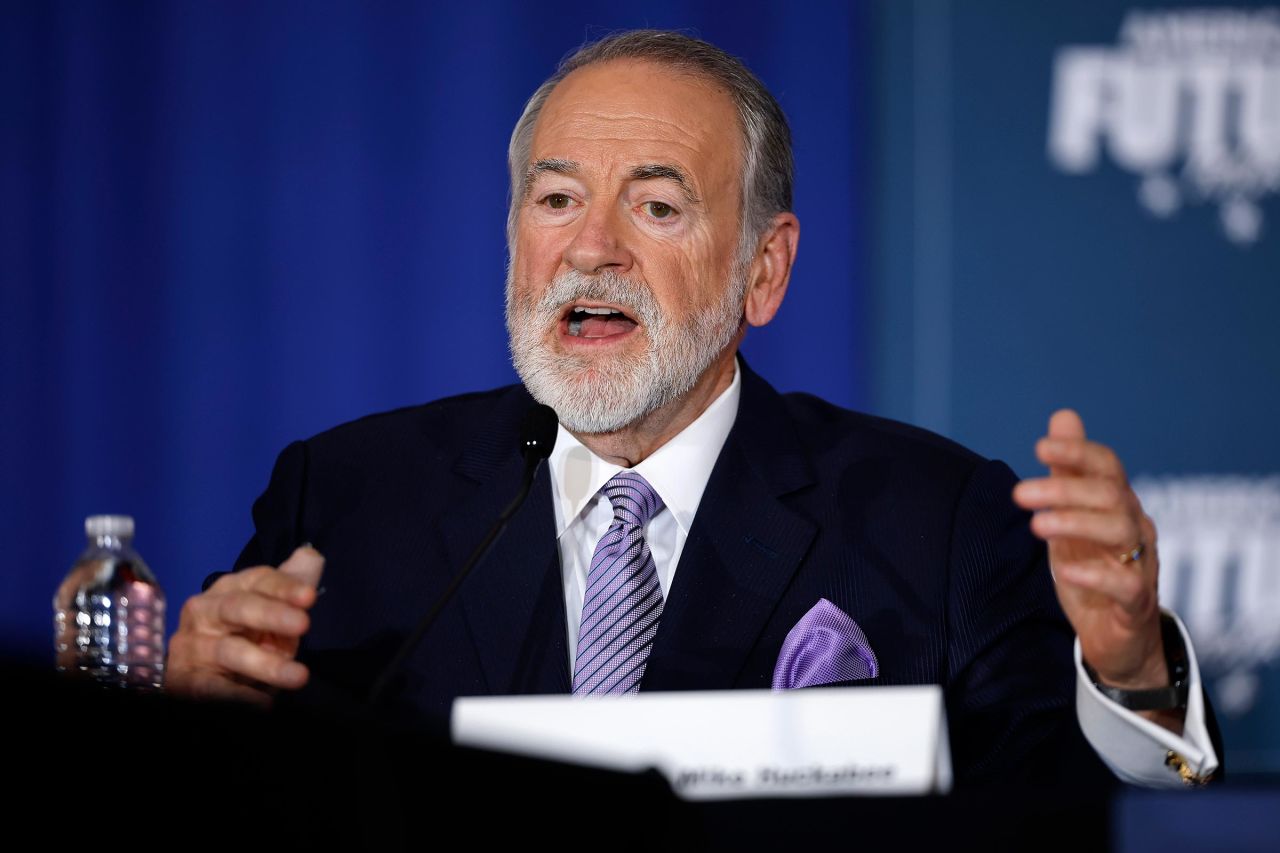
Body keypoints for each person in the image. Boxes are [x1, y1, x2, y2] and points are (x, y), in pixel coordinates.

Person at [166, 30, 1220, 787]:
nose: (590, 248)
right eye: (556, 197)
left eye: (657, 205)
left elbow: (1055, 809)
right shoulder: (349, 503)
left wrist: (1128, 674)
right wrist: (193, 708)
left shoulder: (936, 523)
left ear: (764, 271)